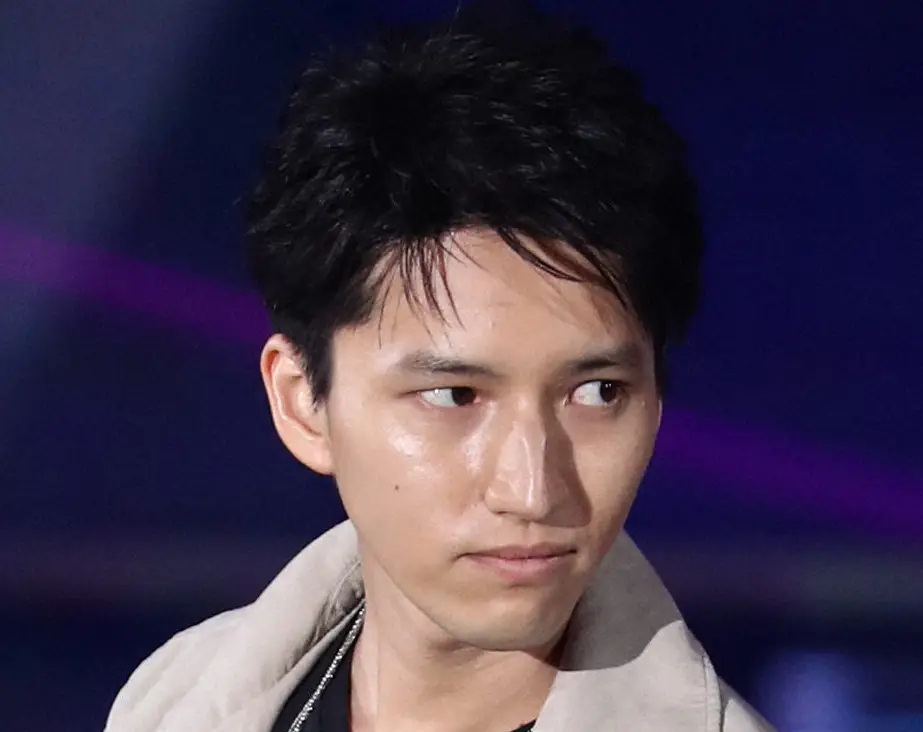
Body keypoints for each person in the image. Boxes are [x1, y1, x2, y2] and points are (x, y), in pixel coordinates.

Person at [105, 5, 775, 732]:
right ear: (302, 403)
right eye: (455, 396)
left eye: (596, 392)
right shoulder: (177, 696)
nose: (531, 490)